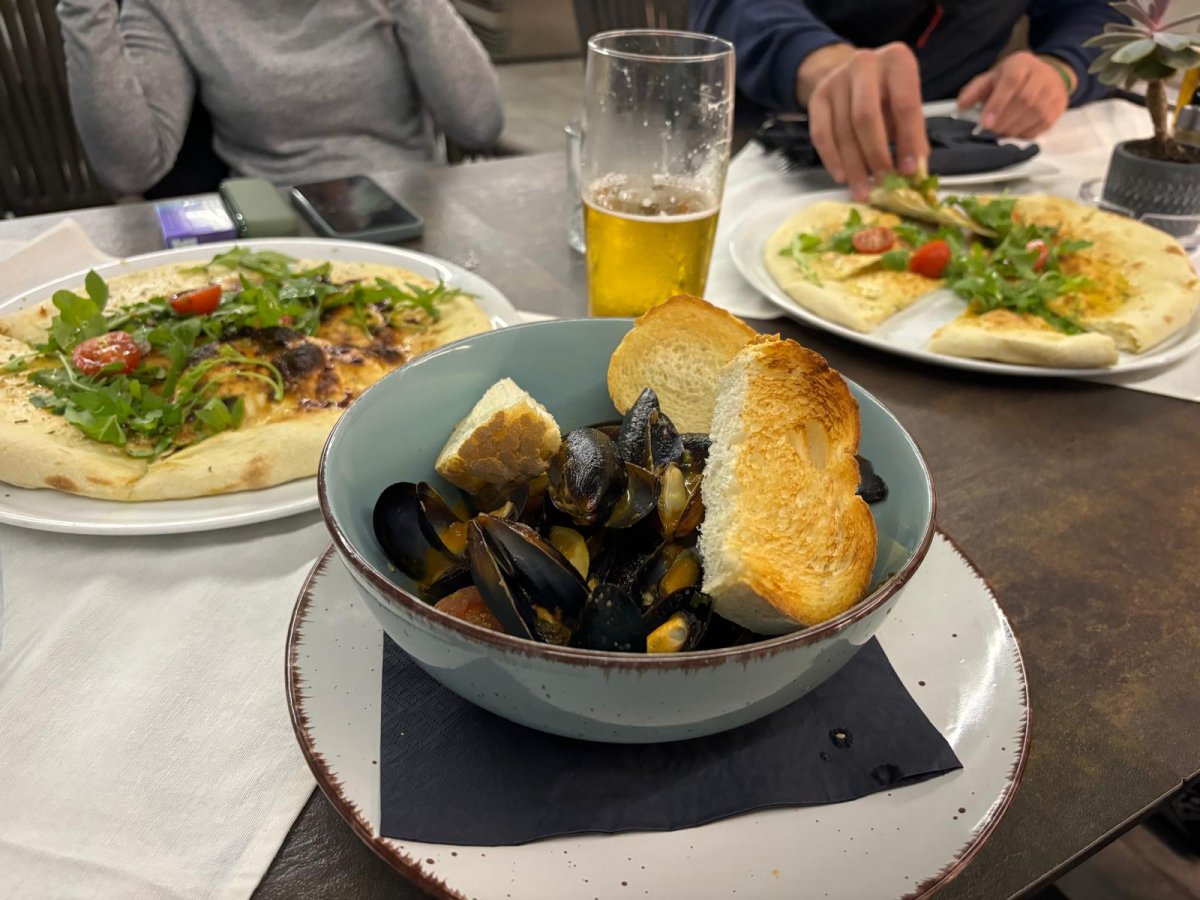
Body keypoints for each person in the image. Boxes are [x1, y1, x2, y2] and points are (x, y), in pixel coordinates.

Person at [57, 0, 504, 195]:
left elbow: (478, 125)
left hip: (413, 206)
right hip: (272, 232)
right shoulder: (171, 6)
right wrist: (84, 11)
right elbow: (129, 168)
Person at [690, 0, 1121, 198]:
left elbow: (1098, 13)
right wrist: (817, 61)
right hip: (761, 142)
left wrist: (1061, 67)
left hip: (967, 147)